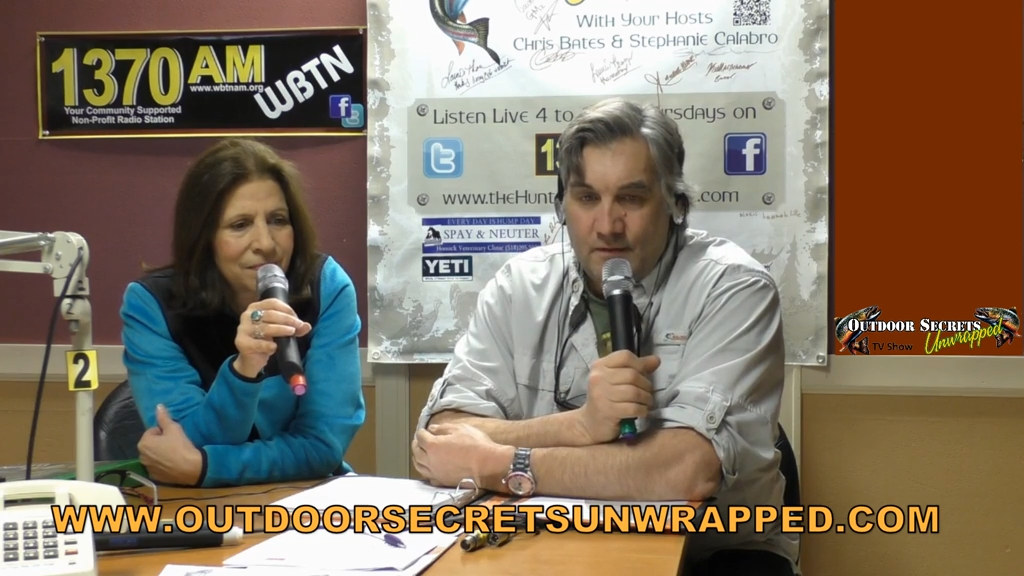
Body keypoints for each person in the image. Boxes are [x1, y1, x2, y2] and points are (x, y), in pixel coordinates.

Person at [412, 98, 798, 575]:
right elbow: (441, 436)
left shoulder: (734, 286)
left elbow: (686, 473)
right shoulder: (518, 287)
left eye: (631, 199)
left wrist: (504, 463)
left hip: (714, 553)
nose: (608, 225)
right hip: (555, 546)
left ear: (676, 205)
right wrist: (577, 426)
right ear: (562, 207)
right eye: (587, 198)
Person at [120, 138, 365, 488]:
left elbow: (322, 446)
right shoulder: (151, 305)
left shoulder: (326, 286)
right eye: (240, 224)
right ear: (204, 237)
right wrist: (244, 369)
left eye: (278, 220)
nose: (265, 243)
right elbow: (186, 441)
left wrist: (207, 467)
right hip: (195, 505)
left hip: (304, 496)